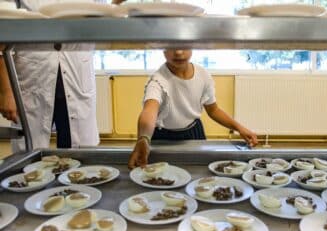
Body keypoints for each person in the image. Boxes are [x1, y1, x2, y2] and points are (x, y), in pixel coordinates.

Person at [0, 0, 124, 152]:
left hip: (77, 77)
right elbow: (2, 34)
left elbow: (104, 18)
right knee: (29, 157)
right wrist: (6, 91)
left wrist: (117, 5)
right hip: (32, 79)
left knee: (78, 158)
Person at [129, 49, 258, 168]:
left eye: (184, 45)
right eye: (171, 46)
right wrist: (144, 138)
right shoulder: (157, 80)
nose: (178, 52)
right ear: (162, 48)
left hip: (193, 132)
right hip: (163, 136)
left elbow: (213, 110)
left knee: (198, 172)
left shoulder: (203, 75)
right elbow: (149, 110)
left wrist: (239, 128)